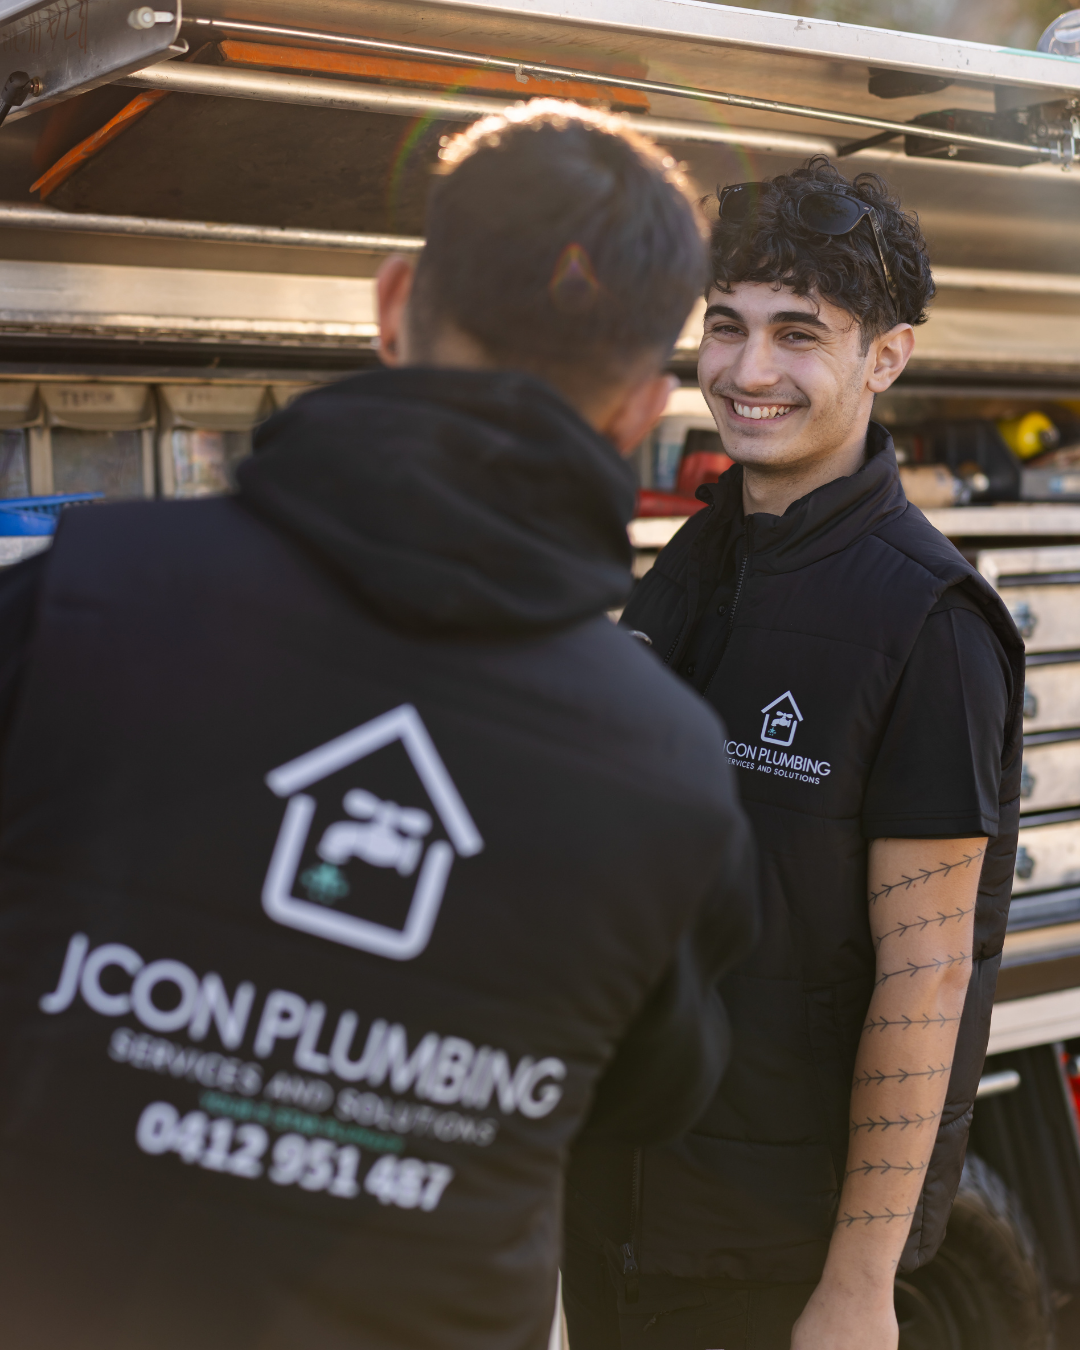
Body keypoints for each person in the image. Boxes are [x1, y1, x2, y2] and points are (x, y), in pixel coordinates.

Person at [0, 102, 759, 1350]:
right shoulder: (673, 777)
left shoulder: (83, 600)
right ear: (641, 408)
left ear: (395, 302)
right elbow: (645, 1089)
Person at [564, 157, 1024, 1350]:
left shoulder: (929, 623)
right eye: (728, 326)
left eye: (798, 335)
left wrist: (860, 1286)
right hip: (624, 1203)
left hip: (770, 1248)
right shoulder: (699, 563)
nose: (746, 371)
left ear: (887, 357)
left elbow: (927, 978)